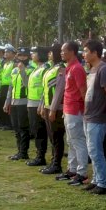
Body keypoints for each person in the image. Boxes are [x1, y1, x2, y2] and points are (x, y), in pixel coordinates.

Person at [81, 39, 106, 194]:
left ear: (95, 53)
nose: (83, 54)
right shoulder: (93, 69)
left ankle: (104, 183)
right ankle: (96, 179)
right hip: (89, 115)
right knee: (92, 150)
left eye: (86, 51)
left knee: (96, 151)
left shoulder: (104, 69)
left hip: (98, 117)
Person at [58, 42, 89, 185]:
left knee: (78, 141)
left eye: (64, 51)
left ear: (72, 52)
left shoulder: (77, 68)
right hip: (69, 109)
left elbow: (83, 91)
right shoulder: (69, 68)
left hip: (75, 110)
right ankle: (72, 169)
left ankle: (81, 173)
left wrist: (86, 109)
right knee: (70, 141)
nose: (61, 53)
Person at [5, 47, 34, 161]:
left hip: (24, 101)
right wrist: (7, 102)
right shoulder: (14, 70)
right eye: (20, 55)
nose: (22, 58)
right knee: (16, 127)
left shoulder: (31, 69)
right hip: (14, 101)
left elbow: (27, 85)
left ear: (28, 57)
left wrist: (22, 71)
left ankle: (24, 152)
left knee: (23, 128)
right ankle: (19, 151)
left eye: (24, 56)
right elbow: (11, 87)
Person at [41, 43, 65, 175]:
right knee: (51, 136)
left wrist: (53, 109)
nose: (49, 54)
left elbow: (59, 91)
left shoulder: (61, 68)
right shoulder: (51, 68)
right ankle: (53, 161)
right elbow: (46, 89)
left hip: (56, 107)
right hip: (48, 105)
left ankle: (57, 164)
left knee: (56, 137)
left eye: (51, 52)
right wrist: (42, 106)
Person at [26, 47, 51, 168]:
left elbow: (44, 89)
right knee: (35, 130)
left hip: (38, 104)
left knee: (40, 131)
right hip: (32, 102)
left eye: (34, 53)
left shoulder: (45, 68)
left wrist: (41, 105)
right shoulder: (37, 68)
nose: (32, 55)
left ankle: (41, 156)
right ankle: (38, 155)